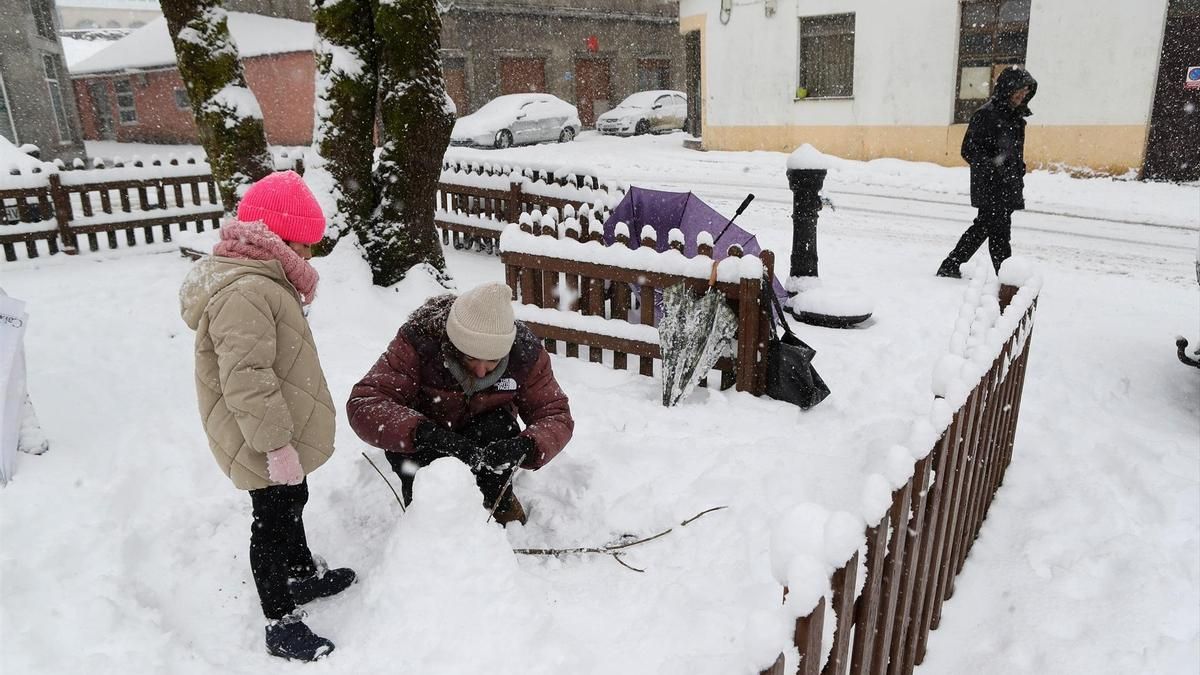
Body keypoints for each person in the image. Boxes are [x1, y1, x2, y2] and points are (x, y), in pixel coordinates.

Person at [179, 171, 354, 662]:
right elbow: (247, 377)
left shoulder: (262, 279)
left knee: (291, 498)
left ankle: (300, 573)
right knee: (272, 519)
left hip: (272, 426)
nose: (312, 255)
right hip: (258, 433)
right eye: (307, 244)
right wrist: (276, 445)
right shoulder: (245, 292)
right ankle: (280, 620)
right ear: (278, 236)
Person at [347, 283, 573, 525]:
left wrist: (526, 446)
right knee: (426, 501)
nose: (480, 370)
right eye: (470, 357)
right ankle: (421, 516)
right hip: (426, 437)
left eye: (493, 361)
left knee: (500, 431)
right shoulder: (420, 341)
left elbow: (555, 413)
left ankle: (498, 498)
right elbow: (366, 402)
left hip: (487, 436)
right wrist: (424, 433)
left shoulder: (525, 354)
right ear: (453, 343)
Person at [937, 66, 1038, 278]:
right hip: (991, 184)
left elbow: (1012, 151)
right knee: (1000, 233)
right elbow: (969, 150)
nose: (1022, 96)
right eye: (1018, 91)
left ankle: (951, 264)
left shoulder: (1016, 119)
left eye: (1025, 92)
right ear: (1007, 89)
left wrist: (1017, 167)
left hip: (1008, 184)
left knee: (984, 228)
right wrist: (994, 165)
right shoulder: (986, 116)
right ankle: (1006, 277)